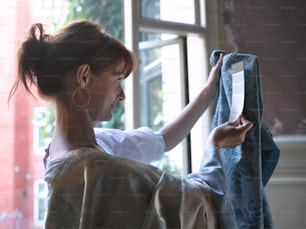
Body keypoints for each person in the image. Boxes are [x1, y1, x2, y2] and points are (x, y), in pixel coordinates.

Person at [9, 20, 253, 228]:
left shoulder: (83, 146)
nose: (122, 95)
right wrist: (215, 146)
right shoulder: (92, 168)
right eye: (116, 79)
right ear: (84, 76)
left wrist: (209, 92)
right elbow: (198, 203)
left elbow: (162, 140)